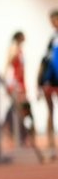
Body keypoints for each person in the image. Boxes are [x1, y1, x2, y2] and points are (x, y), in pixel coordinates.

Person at [2, 31, 42, 161]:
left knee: (23, 111)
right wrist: (6, 81)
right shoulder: (13, 48)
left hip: (21, 84)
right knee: (21, 111)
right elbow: (8, 65)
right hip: (16, 85)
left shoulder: (20, 50)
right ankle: (19, 135)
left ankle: (23, 136)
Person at [39, 10, 58, 162]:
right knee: (50, 113)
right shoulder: (52, 39)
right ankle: (51, 146)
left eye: (54, 20)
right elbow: (45, 61)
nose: (52, 23)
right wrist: (41, 81)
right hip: (50, 81)